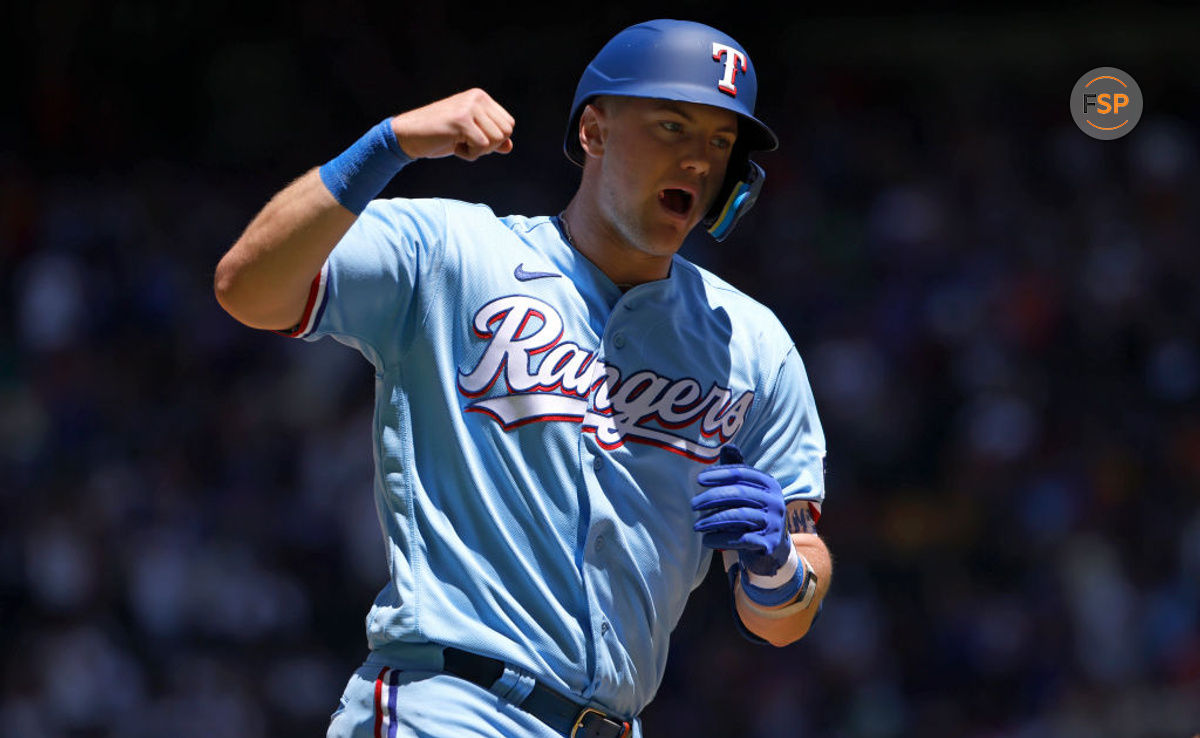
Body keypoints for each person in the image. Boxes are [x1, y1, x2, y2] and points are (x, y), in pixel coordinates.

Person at [214, 18, 831, 738]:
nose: (698, 160)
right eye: (671, 125)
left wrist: (779, 567)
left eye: (721, 142)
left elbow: (784, 620)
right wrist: (387, 145)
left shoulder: (749, 345)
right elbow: (246, 288)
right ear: (594, 132)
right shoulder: (455, 253)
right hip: (450, 704)